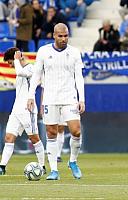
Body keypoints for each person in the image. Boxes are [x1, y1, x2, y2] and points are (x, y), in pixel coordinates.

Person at [27, 23, 85, 180]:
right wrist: (31, 95)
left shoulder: (74, 52)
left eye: (66, 35)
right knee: (51, 133)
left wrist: (82, 99)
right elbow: (37, 75)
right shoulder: (44, 51)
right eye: (60, 36)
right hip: (50, 98)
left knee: (76, 131)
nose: (64, 38)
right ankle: (54, 170)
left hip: (69, 97)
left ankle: (72, 161)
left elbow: (79, 76)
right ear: (54, 35)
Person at [0, 47, 45, 175]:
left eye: (10, 62)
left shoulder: (31, 68)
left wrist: (16, 60)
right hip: (16, 110)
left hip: (28, 110)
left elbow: (20, 72)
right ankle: (2, 166)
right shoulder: (20, 68)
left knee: (34, 138)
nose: (11, 65)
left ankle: (42, 166)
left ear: (16, 58)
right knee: (8, 137)